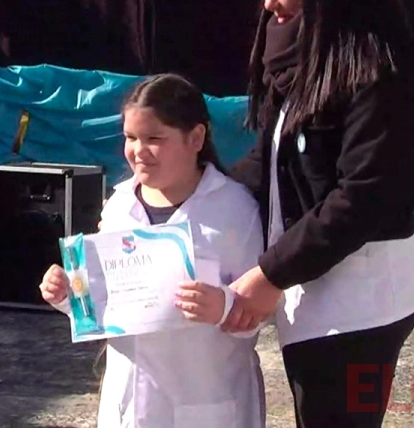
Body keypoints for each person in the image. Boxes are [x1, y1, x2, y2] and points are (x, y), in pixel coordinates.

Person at [224, 0, 414, 428]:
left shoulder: (376, 66)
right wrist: (199, 193)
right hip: (313, 293)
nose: (268, 3)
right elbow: (270, 159)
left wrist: (271, 273)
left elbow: (364, 195)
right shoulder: (299, 54)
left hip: (363, 304)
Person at [39, 73, 266, 428]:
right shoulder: (118, 206)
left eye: (154, 138)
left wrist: (222, 306)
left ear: (195, 138)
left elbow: (260, 309)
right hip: (129, 406)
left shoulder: (235, 211)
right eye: (130, 138)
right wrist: (70, 294)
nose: (138, 151)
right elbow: (104, 306)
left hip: (208, 401)